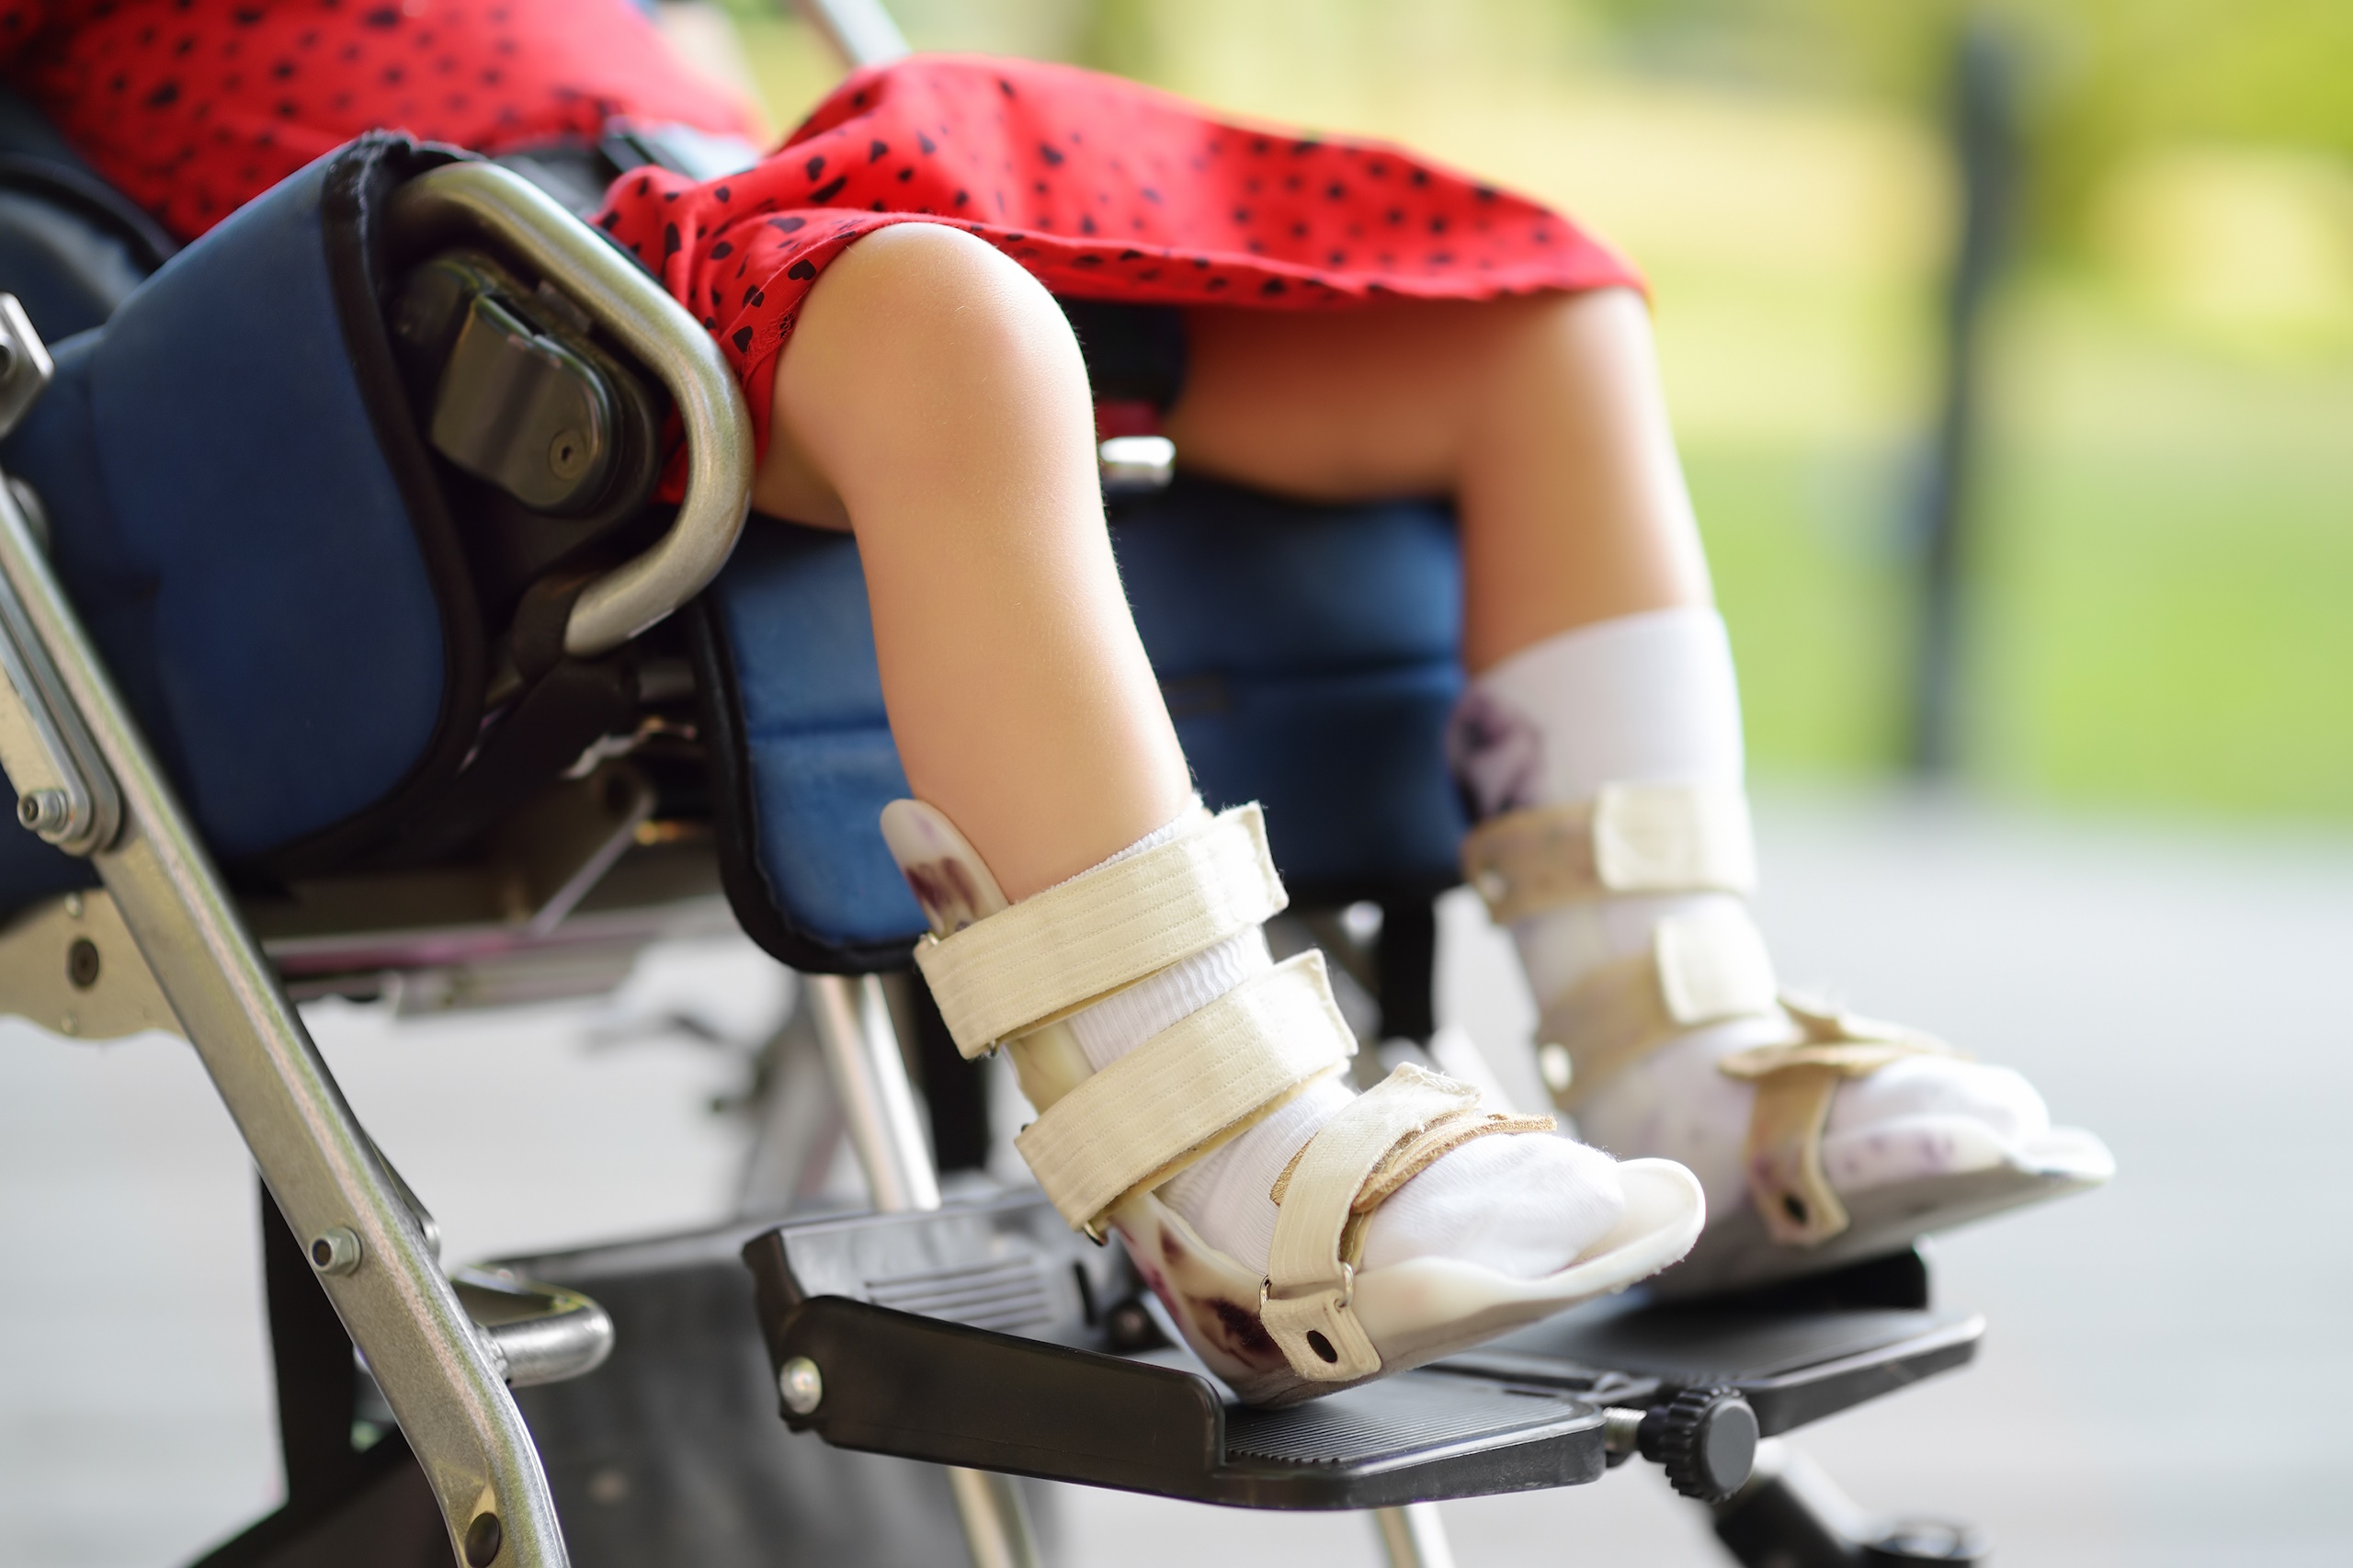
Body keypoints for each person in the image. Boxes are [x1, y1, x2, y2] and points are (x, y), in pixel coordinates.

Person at [0, 0, 2107, 1403]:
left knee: (1533, 313)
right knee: (951, 327)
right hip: (428, 365)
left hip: (742, 214)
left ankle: (1675, 1045)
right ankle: (1225, 1156)